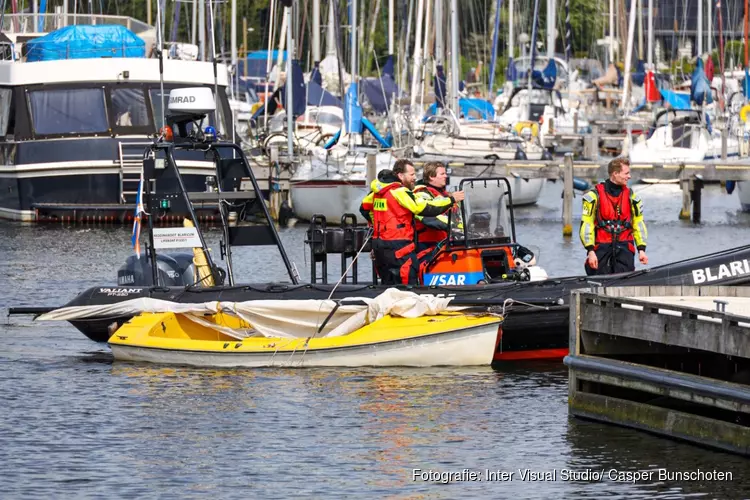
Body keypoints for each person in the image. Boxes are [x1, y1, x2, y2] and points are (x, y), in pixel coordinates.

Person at [359, 160, 464, 285]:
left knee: (388, 281)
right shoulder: (400, 192)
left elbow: (364, 208)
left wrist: (380, 226)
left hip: (381, 244)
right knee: (407, 279)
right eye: (412, 174)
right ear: (400, 176)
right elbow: (422, 209)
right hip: (399, 243)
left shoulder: (377, 193)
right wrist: (451, 200)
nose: (415, 177)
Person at [580, 157, 648, 275]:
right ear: (615, 174)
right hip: (601, 250)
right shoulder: (594, 196)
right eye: (626, 173)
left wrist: (641, 250)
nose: (629, 176)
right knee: (597, 277)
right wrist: (590, 251)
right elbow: (587, 225)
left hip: (624, 249)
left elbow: (638, 223)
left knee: (625, 280)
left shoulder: (632, 197)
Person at [413, 162, 461, 267]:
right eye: (442, 174)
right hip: (427, 245)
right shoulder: (421, 194)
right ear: (431, 176)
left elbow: (458, 217)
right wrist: (454, 227)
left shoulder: (446, 195)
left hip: (446, 243)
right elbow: (430, 218)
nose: (446, 176)